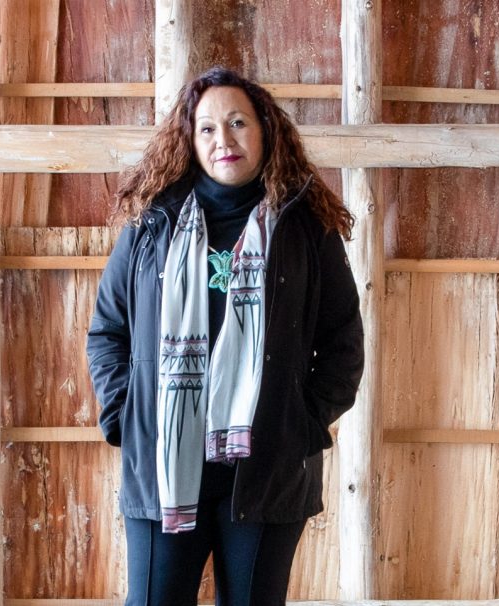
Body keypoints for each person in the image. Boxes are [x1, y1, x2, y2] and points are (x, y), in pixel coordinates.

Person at [86, 66, 364, 606]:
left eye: (238, 123)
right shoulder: (152, 224)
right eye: (208, 128)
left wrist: (301, 421)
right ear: (190, 141)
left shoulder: (305, 226)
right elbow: (107, 331)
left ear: (265, 130)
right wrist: (126, 412)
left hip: (268, 465)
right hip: (163, 461)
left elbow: (343, 340)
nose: (224, 140)